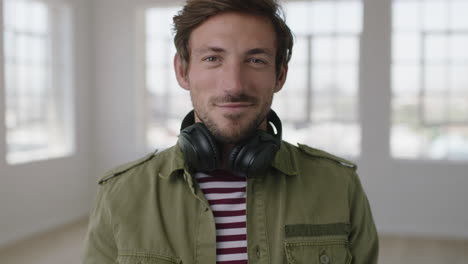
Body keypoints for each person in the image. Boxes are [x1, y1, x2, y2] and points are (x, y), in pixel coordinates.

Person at [82, 0, 379, 263]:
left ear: (280, 75)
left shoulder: (339, 186)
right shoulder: (119, 194)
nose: (234, 85)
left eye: (255, 60)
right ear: (183, 71)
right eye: (213, 58)